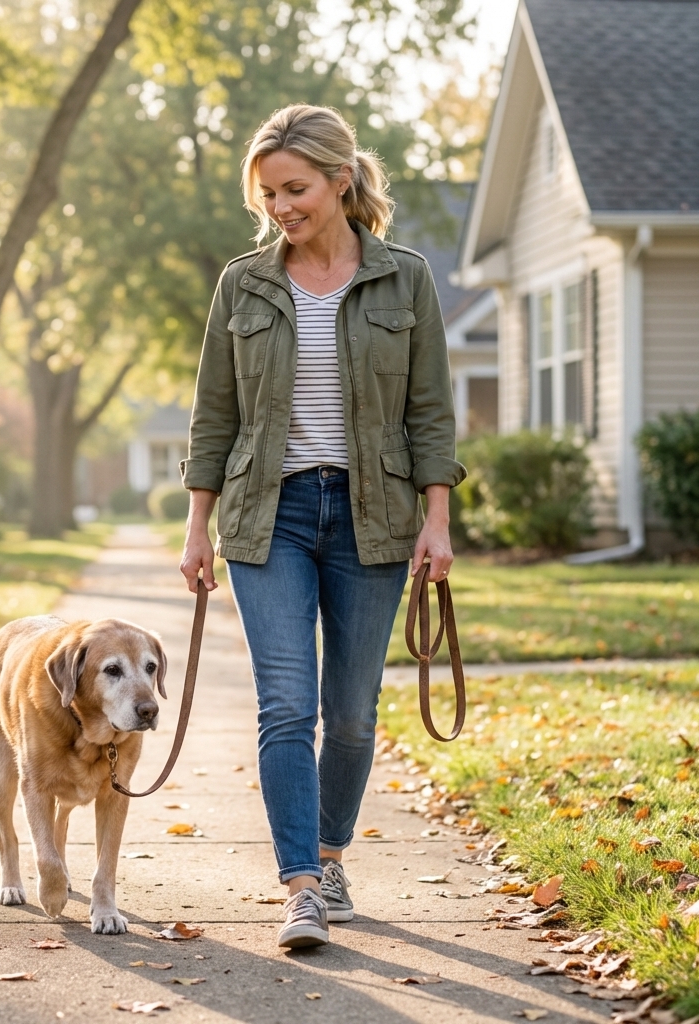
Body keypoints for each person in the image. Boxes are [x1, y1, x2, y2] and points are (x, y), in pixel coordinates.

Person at [178, 104, 465, 950]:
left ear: (342, 179)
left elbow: (430, 412)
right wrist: (198, 528)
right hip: (270, 516)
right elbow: (212, 415)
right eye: (268, 193)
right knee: (287, 707)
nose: (281, 207)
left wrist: (437, 520)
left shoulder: (403, 278)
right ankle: (300, 884)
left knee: (350, 713)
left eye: (295, 189)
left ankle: (331, 855)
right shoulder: (245, 283)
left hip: (373, 518)